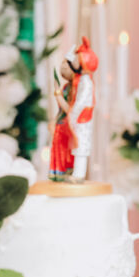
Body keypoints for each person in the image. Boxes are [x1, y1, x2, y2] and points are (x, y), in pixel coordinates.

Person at [50, 37, 98, 183]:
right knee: (77, 147)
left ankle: (78, 175)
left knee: (80, 148)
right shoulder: (80, 82)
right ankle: (76, 174)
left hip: (81, 119)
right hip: (77, 119)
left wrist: (73, 112)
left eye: (76, 60)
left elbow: (81, 103)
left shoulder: (86, 83)